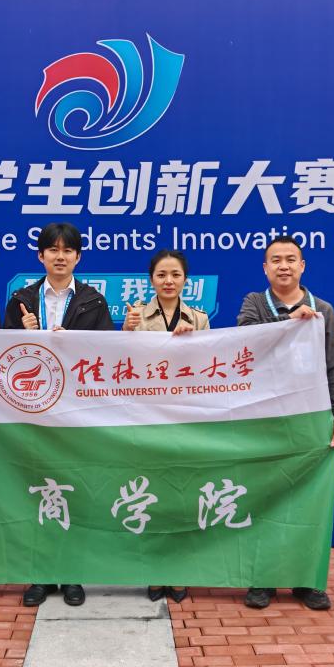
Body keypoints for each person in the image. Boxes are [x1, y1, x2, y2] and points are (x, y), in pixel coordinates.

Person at [236, 235, 334, 611]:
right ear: (265, 268)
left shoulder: (323, 310)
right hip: (265, 418)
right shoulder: (254, 303)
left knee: (308, 502)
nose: (283, 266)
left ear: (302, 266)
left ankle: (307, 580)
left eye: (290, 259)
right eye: (275, 260)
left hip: (310, 418)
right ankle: (262, 579)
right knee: (264, 497)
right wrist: (288, 321)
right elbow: (247, 344)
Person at [4, 222, 113, 607]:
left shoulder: (94, 301)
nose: (60, 256)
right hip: (33, 410)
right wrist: (22, 333)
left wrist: (75, 344)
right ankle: (39, 574)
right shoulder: (21, 300)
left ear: (78, 257)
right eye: (53, 250)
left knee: (73, 490)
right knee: (36, 490)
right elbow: (0, 356)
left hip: (76, 412)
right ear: (41, 255)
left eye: (68, 250)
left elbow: (105, 355)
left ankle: (72, 573)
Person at [122, 249, 208, 604]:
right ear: (151, 280)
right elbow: (124, 365)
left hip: (186, 421)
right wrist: (127, 331)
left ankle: (179, 570)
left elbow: (209, 370)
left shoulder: (199, 319)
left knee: (183, 496)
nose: (168, 281)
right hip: (148, 421)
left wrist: (192, 343)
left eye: (175, 275)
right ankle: (155, 571)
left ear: (185, 279)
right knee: (152, 497)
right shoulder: (136, 317)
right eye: (161, 275)